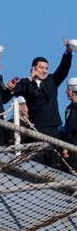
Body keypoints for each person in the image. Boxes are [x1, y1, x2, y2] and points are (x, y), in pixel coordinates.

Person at [12, 39, 73, 168]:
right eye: (41, 68)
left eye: (46, 68)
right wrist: (30, 78)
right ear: (33, 68)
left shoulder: (51, 81)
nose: (44, 71)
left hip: (52, 129)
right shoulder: (26, 83)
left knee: (54, 164)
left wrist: (68, 52)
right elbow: (14, 91)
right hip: (36, 129)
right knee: (37, 164)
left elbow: (63, 69)